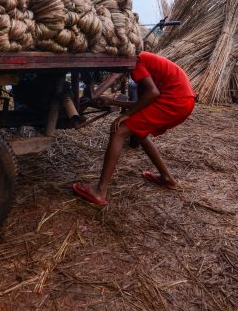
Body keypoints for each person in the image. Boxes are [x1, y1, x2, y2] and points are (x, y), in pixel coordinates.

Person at [72, 51, 196, 207]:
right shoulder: (144, 61)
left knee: (118, 131)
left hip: (174, 100)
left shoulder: (136, 60)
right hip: (183, 100)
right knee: (139, 132)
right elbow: (144, 101)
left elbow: (152, 93)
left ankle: (100, 191)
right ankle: (167, 178)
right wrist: (113, 102)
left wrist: (127, 115)